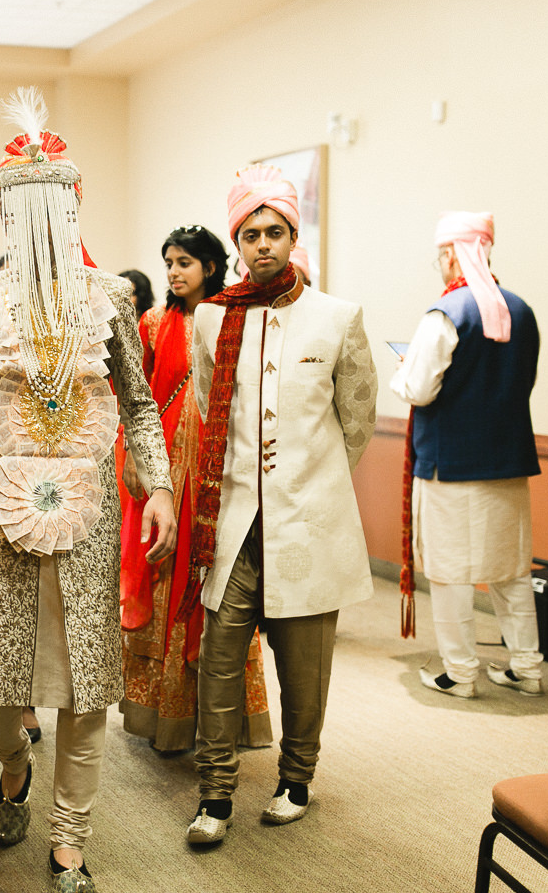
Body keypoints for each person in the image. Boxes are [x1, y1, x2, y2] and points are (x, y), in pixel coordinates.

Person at [0, 89, 176, 890]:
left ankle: (69, 841)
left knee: (86, 683)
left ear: (73, 205)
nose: (35, 221)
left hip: (88, 510)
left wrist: (155, 485)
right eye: (18, 207)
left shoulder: (113, 300)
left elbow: (138, 399)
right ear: (4, 213)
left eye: (48, 203)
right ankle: (14, 766)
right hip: (0, 515)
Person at [186, 164, 376, 844]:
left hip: (310, 521)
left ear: (294, 237)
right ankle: (214, 794)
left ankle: (297, 779)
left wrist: (308, 481)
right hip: (233, 522)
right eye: (251, 233)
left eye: (276, 231)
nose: (263, 243)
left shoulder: (337, 317)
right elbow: (208, 413)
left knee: (304, 666)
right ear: (236, 243)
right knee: (219, 658)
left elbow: (356, 421)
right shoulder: (211, 321)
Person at [118, 226, 273, 754]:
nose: (173, 272)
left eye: (185, 262)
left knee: (222, 582)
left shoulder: (237, 318)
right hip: (164, 475)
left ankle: (221, 718)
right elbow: (132, 399)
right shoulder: (154, 323)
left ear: (210, 265)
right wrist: (138, 466)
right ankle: (165, 719)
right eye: (168, 263)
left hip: (220, 472)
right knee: (163, 580)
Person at [391, 211, 544, 699]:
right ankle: (527, 668)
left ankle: (460, 673)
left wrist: (404, 365)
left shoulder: (447, 312)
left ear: (452, 253)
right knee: (512, 571)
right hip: (508, 463)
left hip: (449, 467)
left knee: (451, 570)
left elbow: (417, 389)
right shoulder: (522, 310)